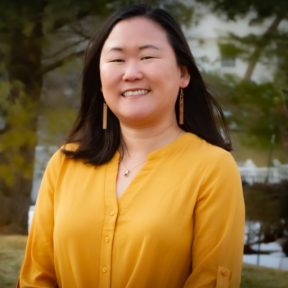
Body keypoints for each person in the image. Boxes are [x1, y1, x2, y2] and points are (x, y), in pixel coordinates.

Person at [18, 3, 245, 288]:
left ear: (183, 73)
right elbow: (36, 278)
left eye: (147, 56)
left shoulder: (212, 169)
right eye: (116, 60)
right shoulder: (64, 163)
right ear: (100, 81)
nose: (131, 73)